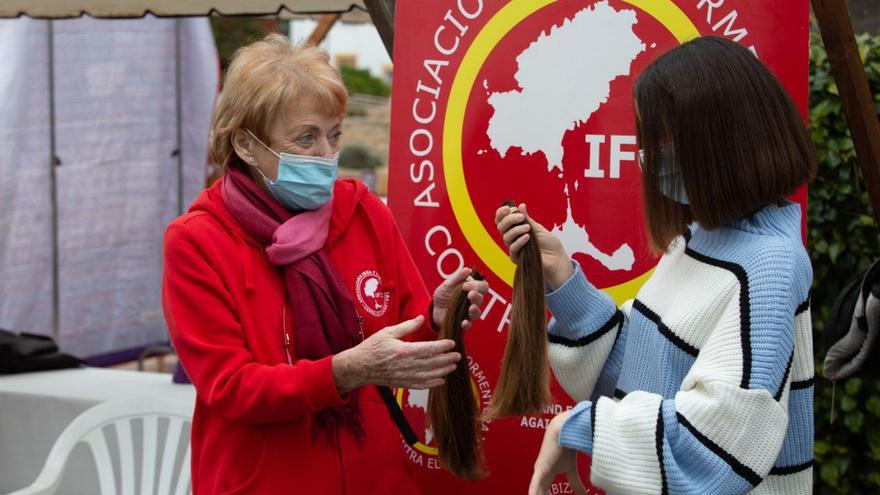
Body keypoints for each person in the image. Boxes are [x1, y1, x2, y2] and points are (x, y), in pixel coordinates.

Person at [162, 34, 488, 494]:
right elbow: (230, 387)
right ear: (247, 145)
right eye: (305, 138)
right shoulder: (197, 241)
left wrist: (437, 315)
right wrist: (343, 371)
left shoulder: (365, 213)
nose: (326, 155)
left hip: (376, 479)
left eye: (334, 134)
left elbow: (402, 342)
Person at [496, 36, 816, 494]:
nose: (649, 159)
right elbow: (641, 375)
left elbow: (714, 448)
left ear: (721, 141)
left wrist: (580, 427)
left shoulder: (768, 269)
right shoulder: (699, 237)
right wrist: (561, 278)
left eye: (665, 142)